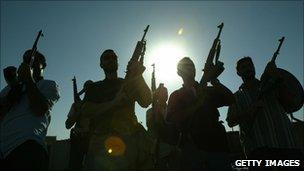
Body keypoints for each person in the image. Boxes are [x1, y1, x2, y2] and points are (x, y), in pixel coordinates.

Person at [73, 49, 152, 170]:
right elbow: (87, 111)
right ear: (101, 64)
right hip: (101, 145)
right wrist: (113, 103)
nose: (111, 59)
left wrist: (138, 75)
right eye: (107, 58)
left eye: (114, 57)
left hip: (127, 146)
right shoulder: (94, 87)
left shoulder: (128, 83)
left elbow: (147, 101)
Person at [155, 57, 234, 171]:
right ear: (178, 72)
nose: (189, 68)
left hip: (217, 146)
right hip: (192, 148)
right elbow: (172, 119)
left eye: (191, 65)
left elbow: (230, 99)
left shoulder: (207, 90)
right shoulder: (176, 95)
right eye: (185, 66)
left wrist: (214, 80)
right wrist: (196, 105)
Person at [226, 57, 302, 171]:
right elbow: (231, 121)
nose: (248, 69)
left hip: (287, 145)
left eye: (250, 66)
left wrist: (278, 79)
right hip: (259, 150)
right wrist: (250, 109)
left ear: (254, 68)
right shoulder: (236, 97)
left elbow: (292, 103)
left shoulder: (272, 86)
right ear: (238, 72)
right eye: (243, 67)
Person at [0, 50, 60, 170]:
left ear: (44, 65)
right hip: (3, 150)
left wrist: (28, 79)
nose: (28, 63)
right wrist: (13, 90)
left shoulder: (49, 85)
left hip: (28, 146)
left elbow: (40, 109)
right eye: (25, 60)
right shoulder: (10, 88)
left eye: (33, 60)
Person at [65, 80, 93, 171]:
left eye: (91, 88)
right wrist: (79, 112)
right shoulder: (77, 105)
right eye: (87, 87)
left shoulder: (99, 105)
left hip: (92, 141)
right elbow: (68, 124)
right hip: (78, 140)